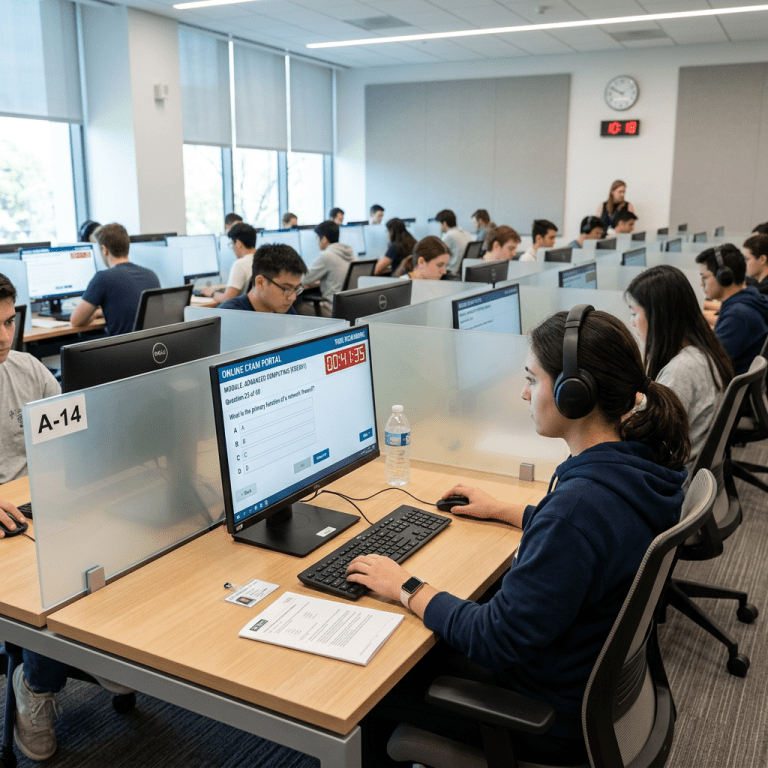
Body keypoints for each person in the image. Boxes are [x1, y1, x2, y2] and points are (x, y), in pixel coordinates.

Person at [350, 306, 689, 766]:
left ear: (574, 394)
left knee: (372, 695)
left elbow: (493, 637)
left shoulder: (577, 510)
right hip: (583, 688)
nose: (523, 392)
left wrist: (405, 586)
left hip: (544, 718)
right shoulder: (634, 469)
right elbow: (595, 539)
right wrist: (507, 510)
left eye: (532, 378)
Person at [626, 265, 733, 480]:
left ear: (659, 315)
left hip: (671, 484)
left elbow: (644, 441)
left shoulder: (682, 369)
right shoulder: (701, 352)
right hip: (692, 474)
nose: (632, 322)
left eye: (634, 313)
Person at [70, 223, 160, 336]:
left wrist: (92, 315)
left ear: (104, 250)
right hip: (149, 349)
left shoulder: (103, 278)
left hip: (121, 351)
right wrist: (100, 312)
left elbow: (76, 321)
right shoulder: (151, 275)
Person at [696, 244, 768, 375]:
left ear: (724, 277)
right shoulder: (750, 298)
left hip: (728, 387)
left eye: (705, 277)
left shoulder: (738, 315)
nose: (701, 283)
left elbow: (707, 365)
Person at [219, 244, 307, 315]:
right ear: (260, 283)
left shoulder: (284, 309)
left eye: (296, 289)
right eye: (286, 288)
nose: (293, 298)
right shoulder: (229, 315)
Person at [300, 220, 356, 316]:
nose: (317, 242)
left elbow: (303, 279)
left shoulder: (327, 256)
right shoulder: (350, 253)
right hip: (350, 308)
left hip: (331, 309)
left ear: (324, 239)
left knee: (297, 305)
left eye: (317, 238)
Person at [202, 222, 257, 304]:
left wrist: (212, 293)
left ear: (238, 244)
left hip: (242, 313)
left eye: (232, 244)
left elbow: (227, 299)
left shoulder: (240, 264)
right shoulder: (262, 259)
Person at [435, 209, 473, 275]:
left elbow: (437, 257)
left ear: (444, 224)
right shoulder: (465, 233)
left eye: (439, 224)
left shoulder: (449, 236)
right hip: (462, 272)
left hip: (451, 273)